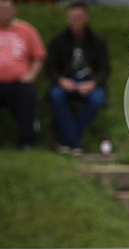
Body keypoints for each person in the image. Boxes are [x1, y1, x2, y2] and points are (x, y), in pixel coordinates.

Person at [46, 0, 109, 154]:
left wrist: (93, 83)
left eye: (79, 17)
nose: (75, 21)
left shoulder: (97, 40)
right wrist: (61, 80)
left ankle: (68, 139)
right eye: (72, 17)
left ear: (86, 17)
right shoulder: (58, 40)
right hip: (65, 82)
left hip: (90, 83)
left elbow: (105, 69)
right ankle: (75, 141)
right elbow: (50, 68)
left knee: (98, 99)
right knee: (56, 96)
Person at [0, 0, 46, 150]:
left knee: (28, 95)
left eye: (6, 9)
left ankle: (26, 141)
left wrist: (31, 75)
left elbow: (39, 56)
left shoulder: (26, 30)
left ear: (15, 10)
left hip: (19, 82)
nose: (3, 12)